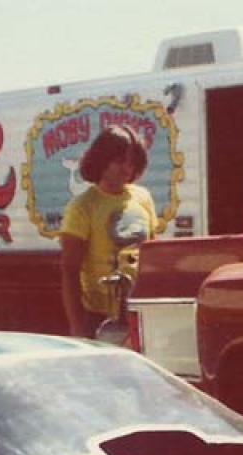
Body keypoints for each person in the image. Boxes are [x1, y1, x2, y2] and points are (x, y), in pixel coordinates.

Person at [58, 125, 158, 337]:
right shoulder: (82, 207)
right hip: (98, 317)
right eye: (120, 161)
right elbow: (70, 272)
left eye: (131, 162)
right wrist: (78, 327)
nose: (126, 168)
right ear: (102, 161)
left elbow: (153, 254)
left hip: (140, 311)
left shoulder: (143, 198)